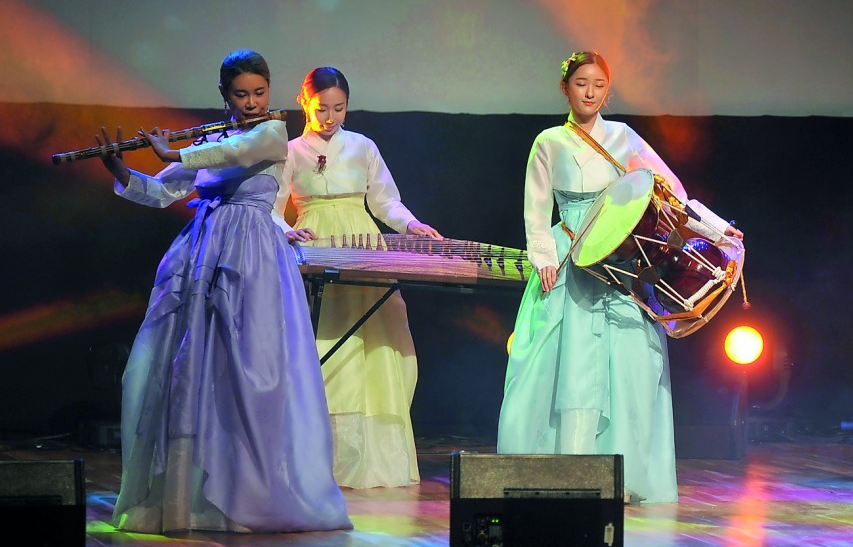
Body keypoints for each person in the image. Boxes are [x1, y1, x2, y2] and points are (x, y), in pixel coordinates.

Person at [97, 50, 351, 534]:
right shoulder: (211, 138)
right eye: (241, 94)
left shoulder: (273, 133)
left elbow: (238, 154)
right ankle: (190, 500)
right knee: (190, 370)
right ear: (223, 95)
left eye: (259, 92)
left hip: (253, 259)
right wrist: (120, 172)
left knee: (249, 369)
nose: (252, 102)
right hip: (201, 255)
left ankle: (251, 494)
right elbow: (162, 191)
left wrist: (172, 151)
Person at [496, 51, 744, 504]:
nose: (590, 92)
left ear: (607, 90)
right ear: (565, 88)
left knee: (630, 365)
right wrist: (544, 257)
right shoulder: (549, 141)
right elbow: (536, 208)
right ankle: (563, 471)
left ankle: (623, 474)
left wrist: (715, 227)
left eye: (598, 85)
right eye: (581, 84)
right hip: (571, 255)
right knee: (563, 364)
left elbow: (672, 190)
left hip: (622, 260)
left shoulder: (624, 137)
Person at [273, 66, 442, 489]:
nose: (330, 117)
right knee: (325, 340)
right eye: (321, 108)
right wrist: (287, 229)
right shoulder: (291, 150)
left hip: (363, 244)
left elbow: (386, 202)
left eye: (339, 108)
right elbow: (271, 207)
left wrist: (411, 225)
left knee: (377, 346)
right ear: (304, 101)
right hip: (317, 245)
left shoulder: (363, 146)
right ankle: (317, 458)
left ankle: (375, 461)